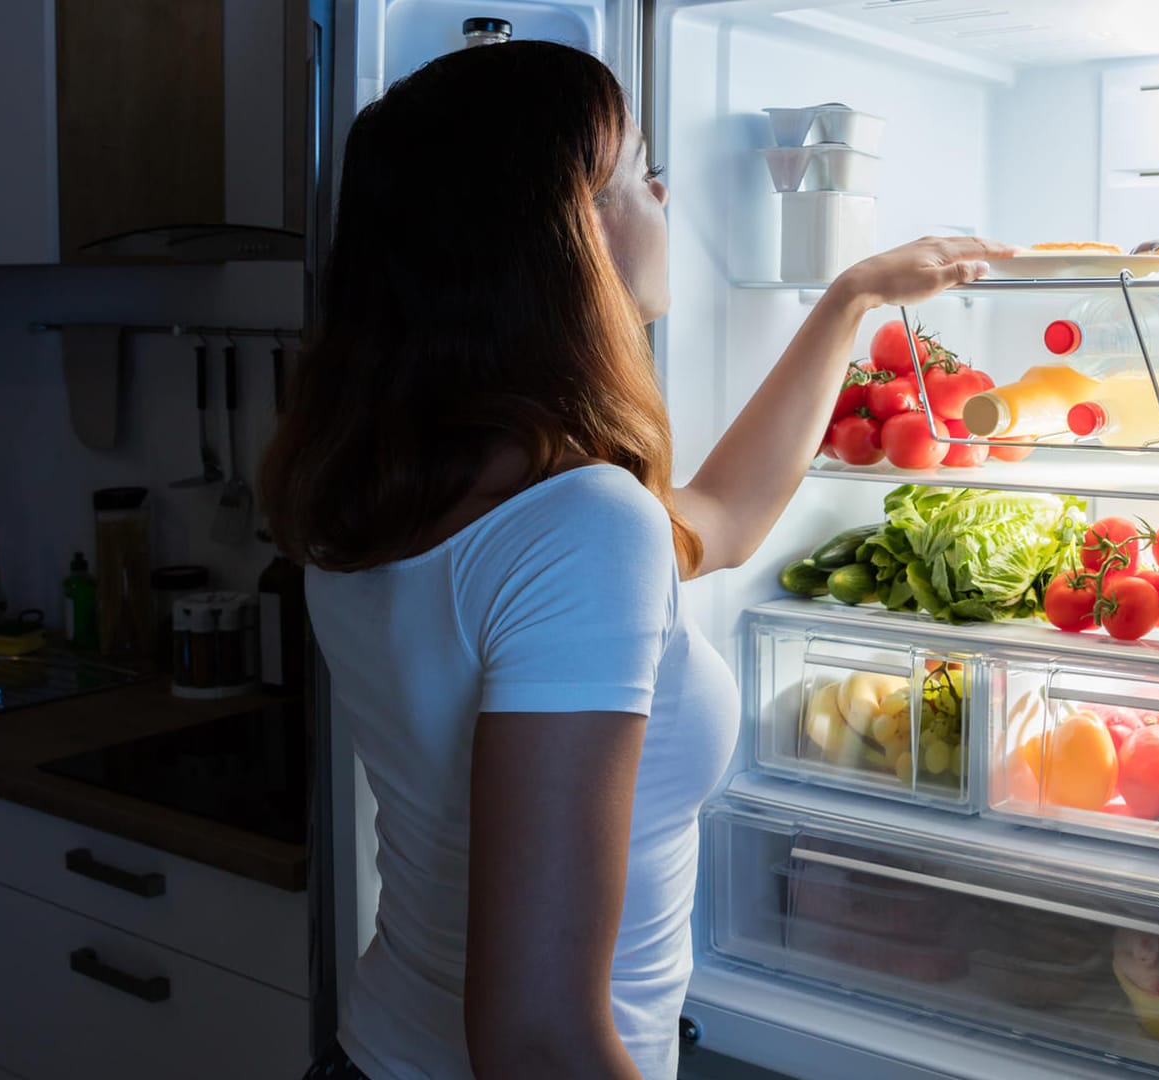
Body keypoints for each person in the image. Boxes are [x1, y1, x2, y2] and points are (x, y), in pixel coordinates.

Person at [262, 39, 1013, 1080]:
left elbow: (725, 514)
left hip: (376, 1051)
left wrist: (850, 299)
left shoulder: (387, 489)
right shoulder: (578, 523)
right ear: (566, 237)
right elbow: (535, 1040)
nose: (664, 190)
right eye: (636, 174)